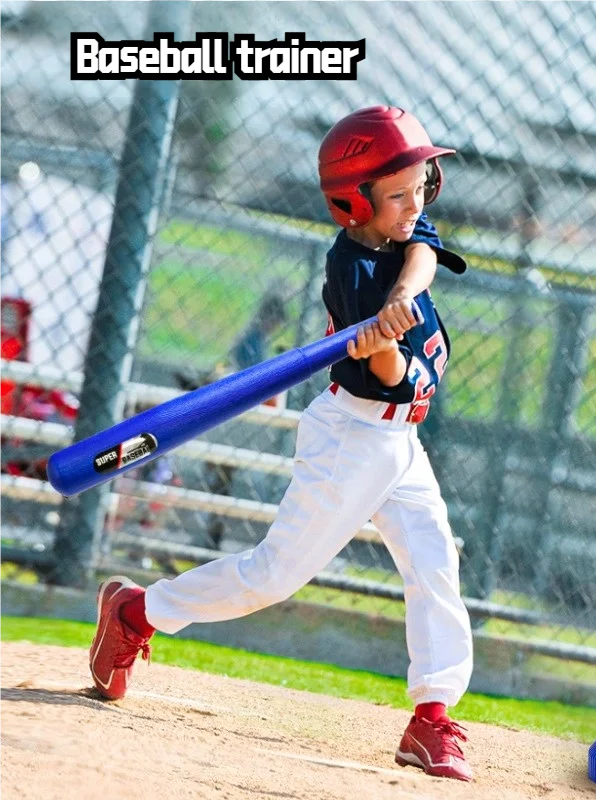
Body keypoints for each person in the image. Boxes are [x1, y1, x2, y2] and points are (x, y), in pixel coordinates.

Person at [88, 106, 474, 782]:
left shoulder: (401, 236)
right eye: (399, 192)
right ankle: (136, 611)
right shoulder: (351, 268)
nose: (417, 203)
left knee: (435, 563)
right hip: (354, 437)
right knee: (273, 576)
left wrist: (403, 300)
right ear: (354, 202)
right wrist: (382, 342)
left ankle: (432, 717)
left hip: (402, 446)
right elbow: (387, 379)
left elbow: (424, 253)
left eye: (424, 184)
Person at [174, 293, 288, 550]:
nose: (275, 326)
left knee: (222, 478)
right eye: (274, 320)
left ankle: (213, 532)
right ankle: (211, 533)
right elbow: (252, 379)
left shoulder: (257, 340)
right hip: (233, 417)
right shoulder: (252, 341)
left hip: (240, 418)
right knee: (220, 477)